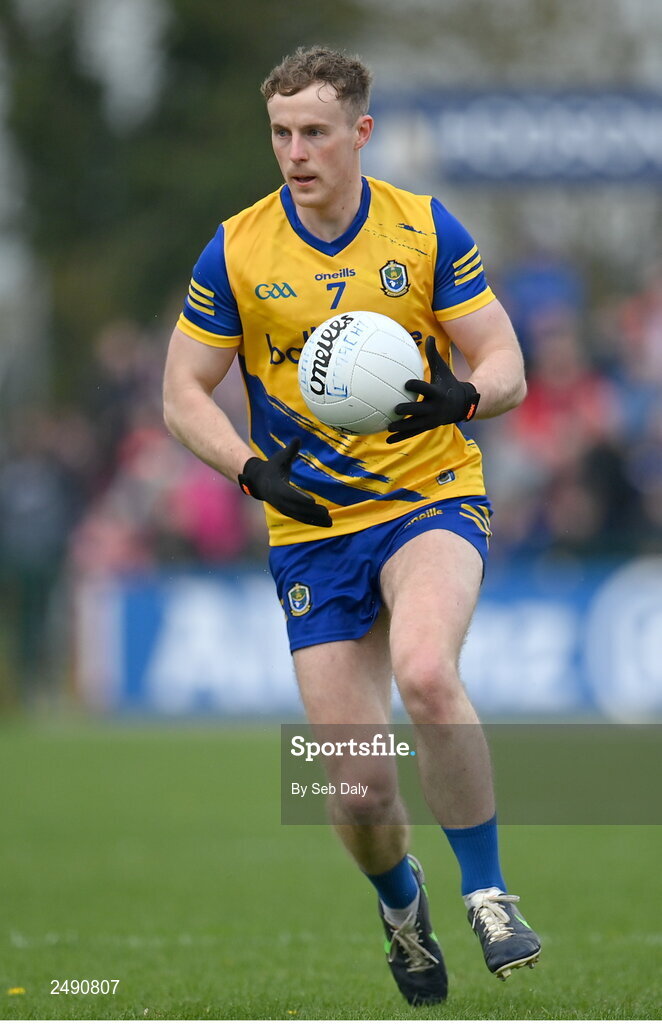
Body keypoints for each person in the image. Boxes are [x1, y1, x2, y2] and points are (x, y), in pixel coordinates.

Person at [163, 45, 541, 1006]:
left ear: (360, 133)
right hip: (313, 529)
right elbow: (182, 394)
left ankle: (490, 891)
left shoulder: (423, 228)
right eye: (282, 133)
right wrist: (250, 470)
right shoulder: (238, 248)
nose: (296, 151)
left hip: (429, 496)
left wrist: (461, 397)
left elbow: (505, 361)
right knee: (360, 791)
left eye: (316, 133)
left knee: (425, 670)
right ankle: (401, 906)